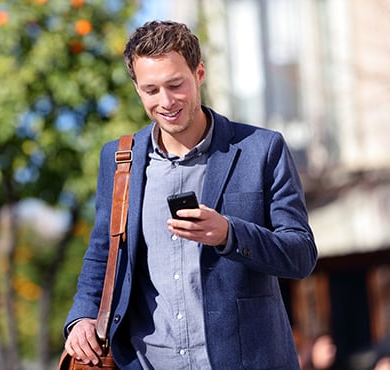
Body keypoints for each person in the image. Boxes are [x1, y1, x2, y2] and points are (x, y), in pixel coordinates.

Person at [62, 20, 317, 369]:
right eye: (151, 90)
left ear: (199, 73)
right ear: (137, 89)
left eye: (175, 85)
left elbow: (300, 254)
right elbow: (104, 253)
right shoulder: (120, 159)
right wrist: (81, 318)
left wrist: (229, 234)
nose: (165, 102)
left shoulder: (262, 149)